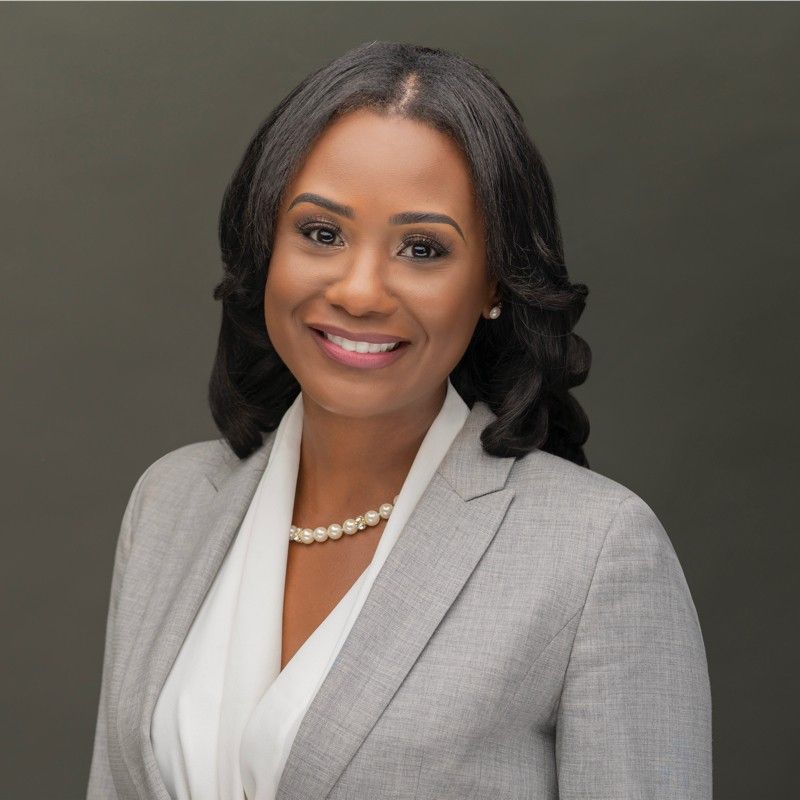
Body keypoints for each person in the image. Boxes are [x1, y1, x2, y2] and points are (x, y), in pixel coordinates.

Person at [87, 40, 712, 800]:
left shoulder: (595, 555)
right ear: (267, 244)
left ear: (492, 283)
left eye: (422, 248)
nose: (359, 290)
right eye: (321, 233)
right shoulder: (169, 504)